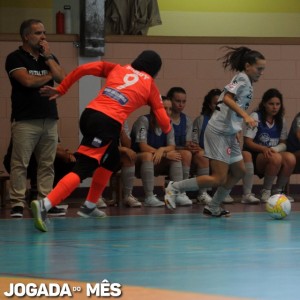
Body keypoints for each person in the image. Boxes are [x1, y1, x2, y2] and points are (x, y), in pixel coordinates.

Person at [31, 50, 171, 232]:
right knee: (84, 167)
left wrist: (63, 88)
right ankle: (45, 205)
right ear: (155, 71)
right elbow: (165, 124)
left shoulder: (117, 68)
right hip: (107, 123)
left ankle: (89, 206)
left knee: (111, 160)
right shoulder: (151, 86)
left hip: (89, 115)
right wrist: (164, 119)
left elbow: (84, 69)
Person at [165, 46, 266, 217]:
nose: (261, 72)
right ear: (248, 65)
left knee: (240, 171)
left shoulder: (247, 82)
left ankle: (213, 206)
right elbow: (226, 97)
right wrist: (245, 117)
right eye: (259, 68)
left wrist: (236, 126)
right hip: (218, 132)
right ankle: (174, 188)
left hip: (228, 133)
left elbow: (232, 107)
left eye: (263, 69)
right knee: (218, 177)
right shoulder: (241, 78)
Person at [5, 19, 65, 218]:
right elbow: (28, 81)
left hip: (49, 117)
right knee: (20, 163)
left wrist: (48, 58)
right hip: (25, 119)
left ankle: (45, 203)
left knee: (47, 163)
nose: (43, 37)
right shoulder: (15, 58)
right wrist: (50, 75)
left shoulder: (48, 56)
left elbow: (63, 79)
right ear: (26, 36)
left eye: (44, 33)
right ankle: (17, 204)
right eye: (38, 33)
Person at [131, 97, 192, 207]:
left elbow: (171, 146)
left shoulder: (168, 123)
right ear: (155, 109)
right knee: (147, 155)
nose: (168, 112)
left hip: (157, 159)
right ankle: (149, 196)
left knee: (176, 156)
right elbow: (142, 146)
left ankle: (178, 193)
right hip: (138, 160)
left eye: (169, 109)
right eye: (164, 109)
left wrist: (162, 150)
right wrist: (164, 154)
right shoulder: (143, 120)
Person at [243, 88, 295, 202]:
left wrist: (274, 149)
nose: (275, 107)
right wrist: (264, 149)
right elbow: (247, 141)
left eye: (277, 104)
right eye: (271, 104)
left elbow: (283, 143)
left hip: (272, 153)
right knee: (275, 157)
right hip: (256, 155)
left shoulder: (281, 119)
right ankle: (266, 191)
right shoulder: (256, 117)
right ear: (264, 104)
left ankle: (278, 191)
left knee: (291, 158)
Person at [192, 88, 234, 204]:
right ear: (210, 105)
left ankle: (223, 192)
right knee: (203, 156)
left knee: (234, 157)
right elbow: (194, 144)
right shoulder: (200, 120)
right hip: (203, 154)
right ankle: (202, 194)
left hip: (219, 155)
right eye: (216, 103)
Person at [97, 120, 142, 208]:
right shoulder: (98, 119)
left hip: (113, 154)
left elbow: (128, 145)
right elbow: (97, 144)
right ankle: (96, 197)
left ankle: (128, 196)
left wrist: (121, 131)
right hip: (96, 152)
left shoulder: (122, 120)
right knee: (98, 157)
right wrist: (123, 149)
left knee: (128, 156)